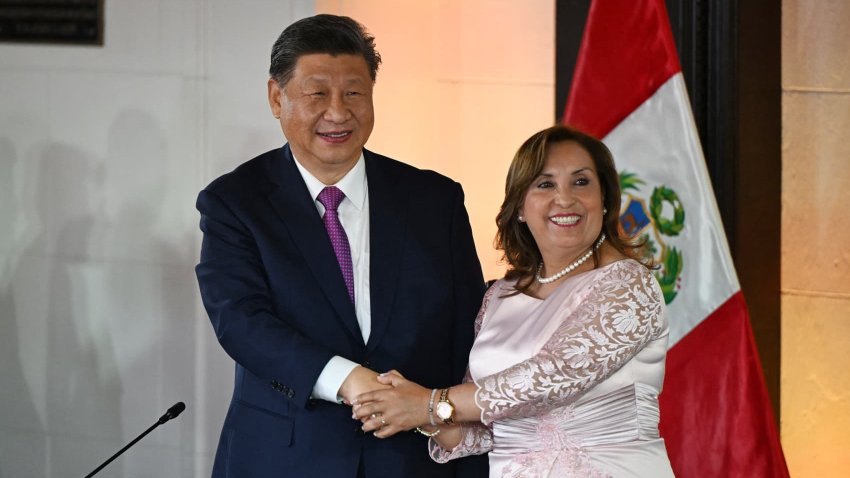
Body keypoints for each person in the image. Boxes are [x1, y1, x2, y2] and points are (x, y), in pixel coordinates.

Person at [195, 14, 488, 478]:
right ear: (277, 97)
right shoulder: (236, 202)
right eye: (317, 94)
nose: (338, 112)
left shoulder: (435, 199)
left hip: (413, 459)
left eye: (354, 92)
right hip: (285, 458)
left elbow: (469, 335)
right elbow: (241, 321)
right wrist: (349, 380)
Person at [352, 125, 675, 477]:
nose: (564, 198)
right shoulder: (500, 295)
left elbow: (552, 376)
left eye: (581, 182)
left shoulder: (628, 283)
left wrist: (428, 404)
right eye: (545, 184)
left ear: (606, 199)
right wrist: (421, 413)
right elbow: (483, 431)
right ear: (520, 205)